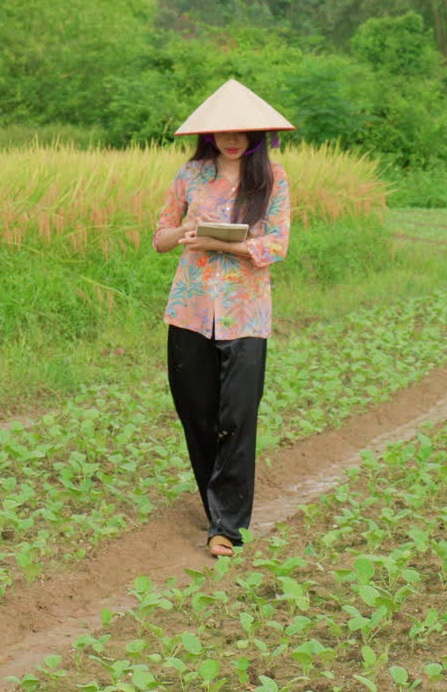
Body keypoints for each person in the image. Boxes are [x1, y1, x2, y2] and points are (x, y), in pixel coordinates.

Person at [152, 79, 294, 558]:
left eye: (241, 130)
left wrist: (222, 244)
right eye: (222, 131)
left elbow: (275, 244)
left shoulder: (272, 177)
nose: (231, 138)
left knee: (237, 414)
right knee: (197, 415)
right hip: (190, 311)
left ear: (258, 134)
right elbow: (160, 237)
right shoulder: (190, 175)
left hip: (245, 314)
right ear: (209, 134)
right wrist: (185, 230)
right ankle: (217, 504)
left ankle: (226, 527)